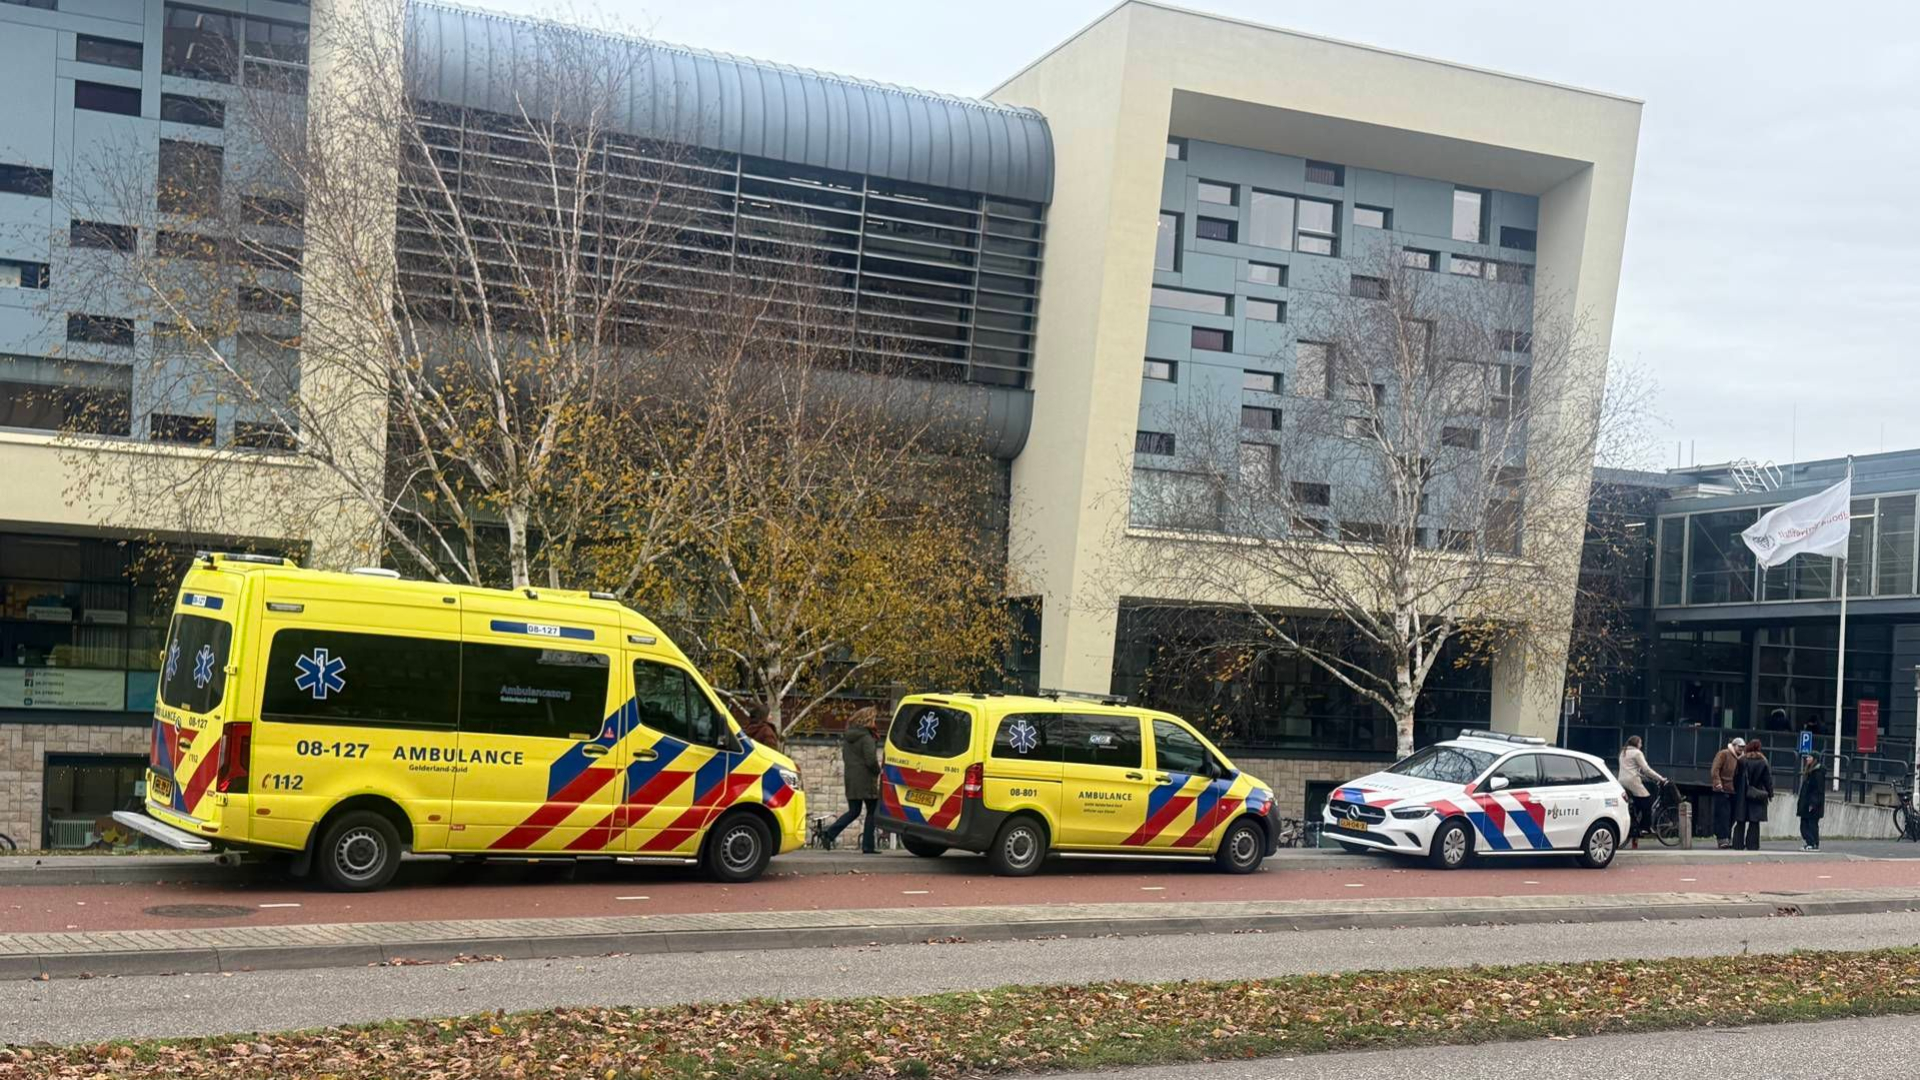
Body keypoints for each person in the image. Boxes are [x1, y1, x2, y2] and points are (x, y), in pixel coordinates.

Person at [823, 707, 882, 853]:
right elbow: (870, 760)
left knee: (854, 811)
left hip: (851, 778)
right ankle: (868, 846)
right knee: (872, 811)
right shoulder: (867, 737)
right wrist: (878, 770)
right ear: (869, 720)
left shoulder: (849, 737)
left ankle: (829, 834)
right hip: (866, 779)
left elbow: (846, 757)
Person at [1617, 735, 1667, 849]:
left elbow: (1629, 768)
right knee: (1647, 801)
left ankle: (1634, 824)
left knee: (1636, 804)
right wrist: (1660, 778)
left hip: (1621, 781)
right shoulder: (1637, 753)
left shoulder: (1623, 752)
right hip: (1632, 781)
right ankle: (1645, 828)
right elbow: (1646, 769)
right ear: (1636, 743)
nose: (1641, 745)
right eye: (1640, 743)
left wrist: (1640, 775)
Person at [1733, 738, 1775, 851]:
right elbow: (1768, 780)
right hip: (1758, 794)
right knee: (1754, 822)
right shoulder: (1763, 762)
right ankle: (1752, 845)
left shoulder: (1742, 760)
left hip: (1742, 794)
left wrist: (1736, 790)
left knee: (1740, 821)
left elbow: (1735, 777)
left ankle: (1738, 844)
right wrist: (1770, 794)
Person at [1709, 738, 1743, 849]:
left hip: (1734, 790)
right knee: (1723, 815)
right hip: (1723, 789)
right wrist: (1717, 782)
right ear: (1734, 745)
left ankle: (1727, 837)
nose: (1741, 749)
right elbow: (1715, 769)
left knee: (1732, 816)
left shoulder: (1741, 758)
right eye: (1739, 747)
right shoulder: (1724, 754)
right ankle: (1722, 839)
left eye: (1743, 747)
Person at [1796, 753, 1826, 851]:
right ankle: (1810, 843)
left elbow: (1818, 790)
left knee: (1811, 824)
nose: (1807, 759)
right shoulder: (1810, 771)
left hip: (1812, 803)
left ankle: (1813, 843)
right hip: (1806, 802)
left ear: (1814, 759)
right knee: (1804, 824)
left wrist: (1813, 803)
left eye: (1809, 757)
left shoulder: (1817, 773)